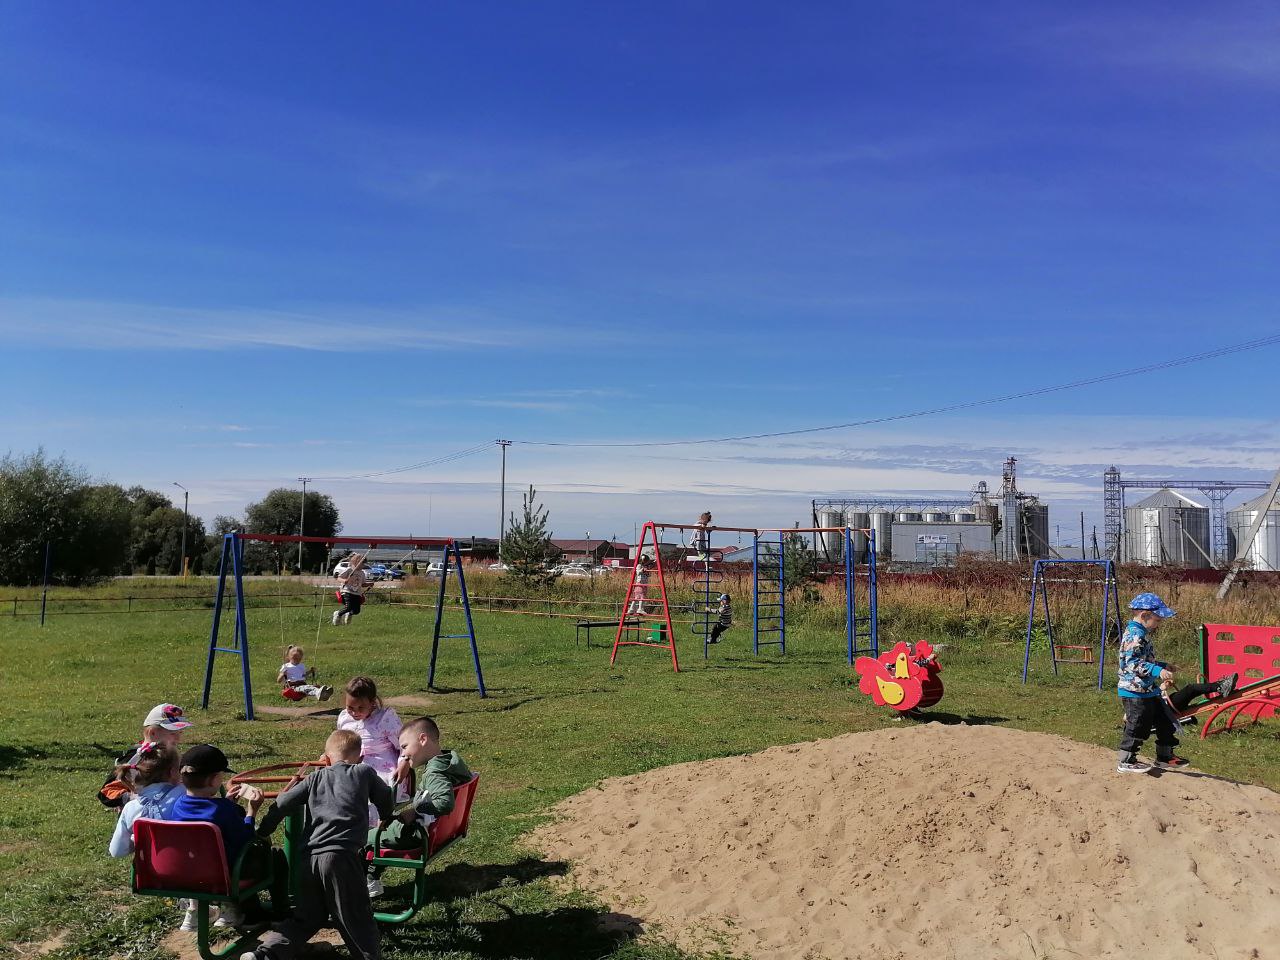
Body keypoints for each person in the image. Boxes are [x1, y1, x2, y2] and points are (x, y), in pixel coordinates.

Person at [245, 730, 394, 960]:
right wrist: (386, 815)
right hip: (342, 856)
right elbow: (385, 795)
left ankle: (265, 954)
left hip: (309, 859)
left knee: (307, 917)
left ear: (326, 759)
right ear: (361, 757)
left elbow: (283, 802)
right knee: (356, 916)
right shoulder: (363, 771)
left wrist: (264, 829)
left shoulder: (314, 778)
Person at [365, 716, 472, 899]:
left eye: (405, 747)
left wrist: (415, 811)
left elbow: (444, 802)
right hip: (436, 830)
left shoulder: (434, 773)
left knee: (361, 838)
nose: (403, 753)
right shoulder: (449, 761)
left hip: (416, 833)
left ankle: (360, 884)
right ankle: (370, 878)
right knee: (379, 832)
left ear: (422, 739)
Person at [171, 744, 270, 928]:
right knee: (273, 857)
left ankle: (212, 910)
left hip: (189, 874)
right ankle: (268, 912)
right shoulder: (224, 810)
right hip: (225, 876)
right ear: (213, 780)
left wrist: (227, 804)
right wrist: (252, 812)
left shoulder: (178, 806)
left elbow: (206, 813)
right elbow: (245, 839)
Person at [1115, 593, 1182, 774]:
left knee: (1163, 719)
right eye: (1157, 620)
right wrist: (1157, 671)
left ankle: (1165, 756)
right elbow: (1132, 663)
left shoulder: (1141, 633)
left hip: (1147, 689)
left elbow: (1144, 659)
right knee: (1138, 724)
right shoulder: (1135, 635)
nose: (1158, 624)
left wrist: (1162, 665)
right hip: (1134, 690)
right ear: (1145, 615)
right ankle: (1126, 760)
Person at [336, 677, 407, 824]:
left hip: (380, 766)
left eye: (361, 708)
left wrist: (404, 761)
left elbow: (403, 744)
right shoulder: (344, 719)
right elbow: (339, 742)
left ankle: (372, 828)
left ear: (372, 702)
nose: (355, 712)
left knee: (371, 794)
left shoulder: (384, 719)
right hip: (350, 764)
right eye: (350, 708)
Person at [99, 703, 194, 810]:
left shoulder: (173, 755)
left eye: (180, 733)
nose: (178, 739)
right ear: (152, 733)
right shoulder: (136, 757)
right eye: (173, 734)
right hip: (140, 814)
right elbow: (106, 792)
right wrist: (130, 798)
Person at [333, 554, 369, 626]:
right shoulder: (349, 570)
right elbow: (338, 578)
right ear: (356, 562)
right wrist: (344, 581)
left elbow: (363, 584)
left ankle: (349, 614)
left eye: (364, 564)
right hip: (347, 591)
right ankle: (338, 614)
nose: (363, 566)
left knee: (356, 611)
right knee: (348, 607)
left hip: (357, 593)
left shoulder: (362, 573)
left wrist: (369, 584)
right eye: (362, 564)